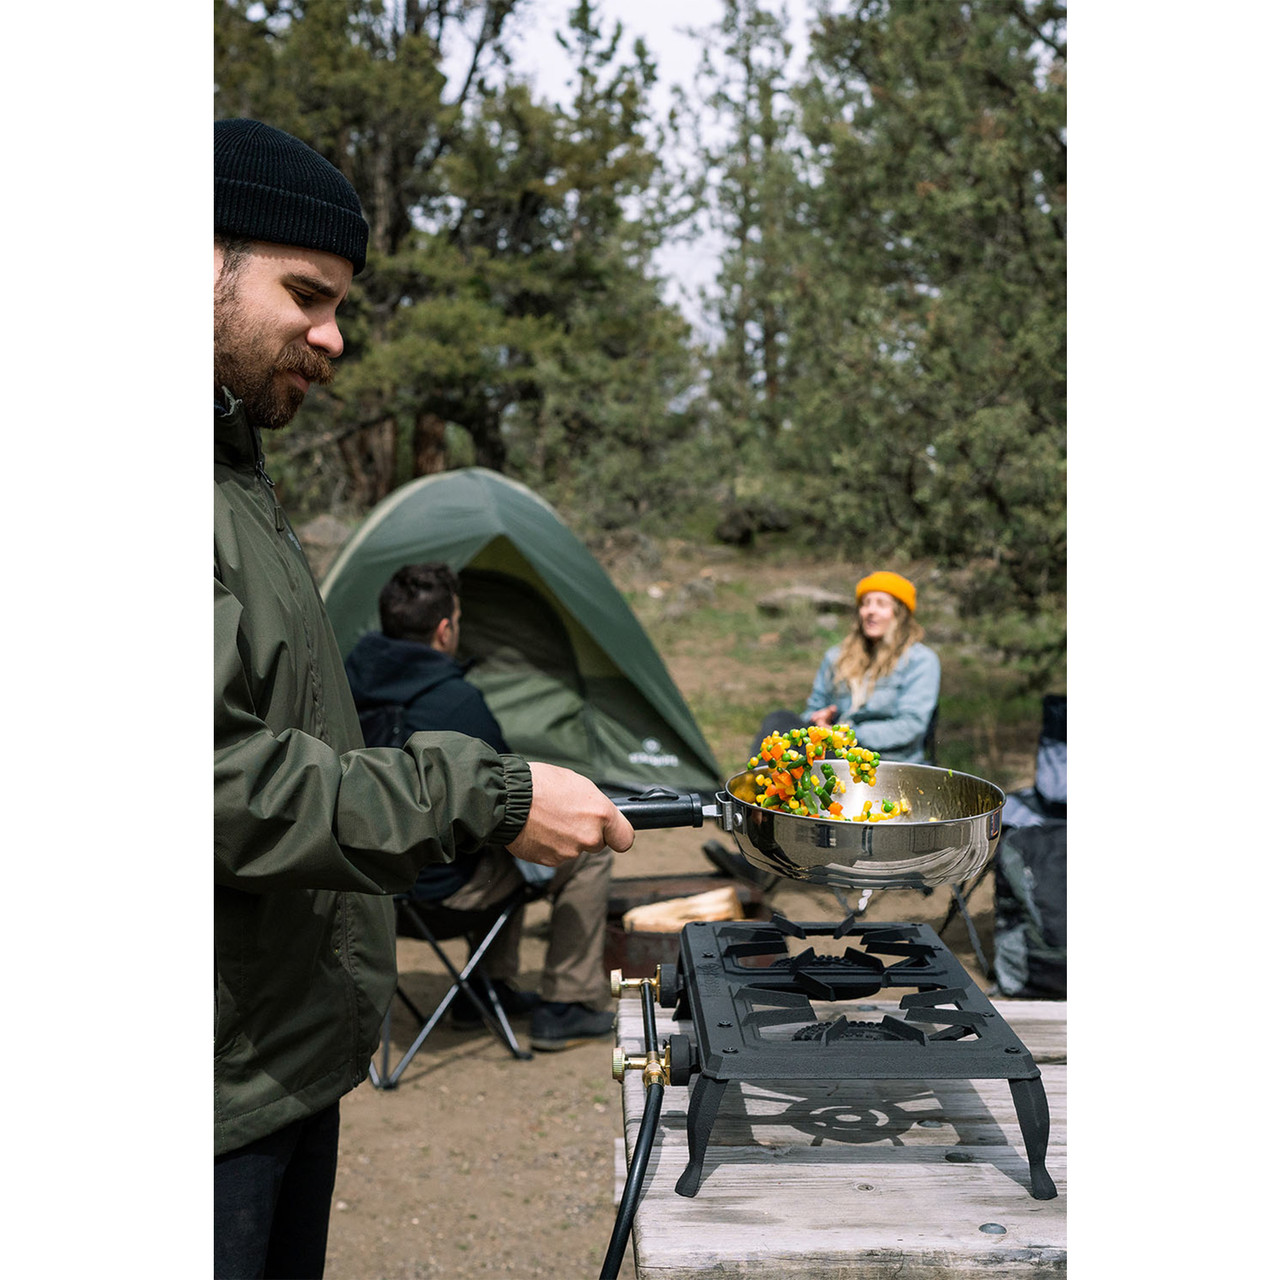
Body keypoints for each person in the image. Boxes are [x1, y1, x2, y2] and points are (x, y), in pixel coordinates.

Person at [213, 119, 633, 1280]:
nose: (333, 336)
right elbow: (208, 781)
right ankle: (548, 998)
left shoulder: (236, 475)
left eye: (341, 302)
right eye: (304, 292)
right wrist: (490, 791)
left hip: (288, 1051)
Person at [342, 562, 617, 1050]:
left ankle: (487, 991)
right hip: (443, 897)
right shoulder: (457, 703)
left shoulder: (342, 686)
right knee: (570, 847)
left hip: (365, 888)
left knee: (488, 841)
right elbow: (504, 799)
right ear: (445, 628)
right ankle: (568, 1003)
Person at [757, 570, 941, 763]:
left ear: (900, 613)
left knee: (810, 758)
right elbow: (813, 709)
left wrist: (846, 735)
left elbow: (910, 726)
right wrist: (817, 720)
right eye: (865, 603)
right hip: (833, 749)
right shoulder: (836, 657)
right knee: (778, 720)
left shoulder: (921, 661)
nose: (870, 610)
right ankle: (752, 788)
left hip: (885, 760)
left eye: (881, 604)